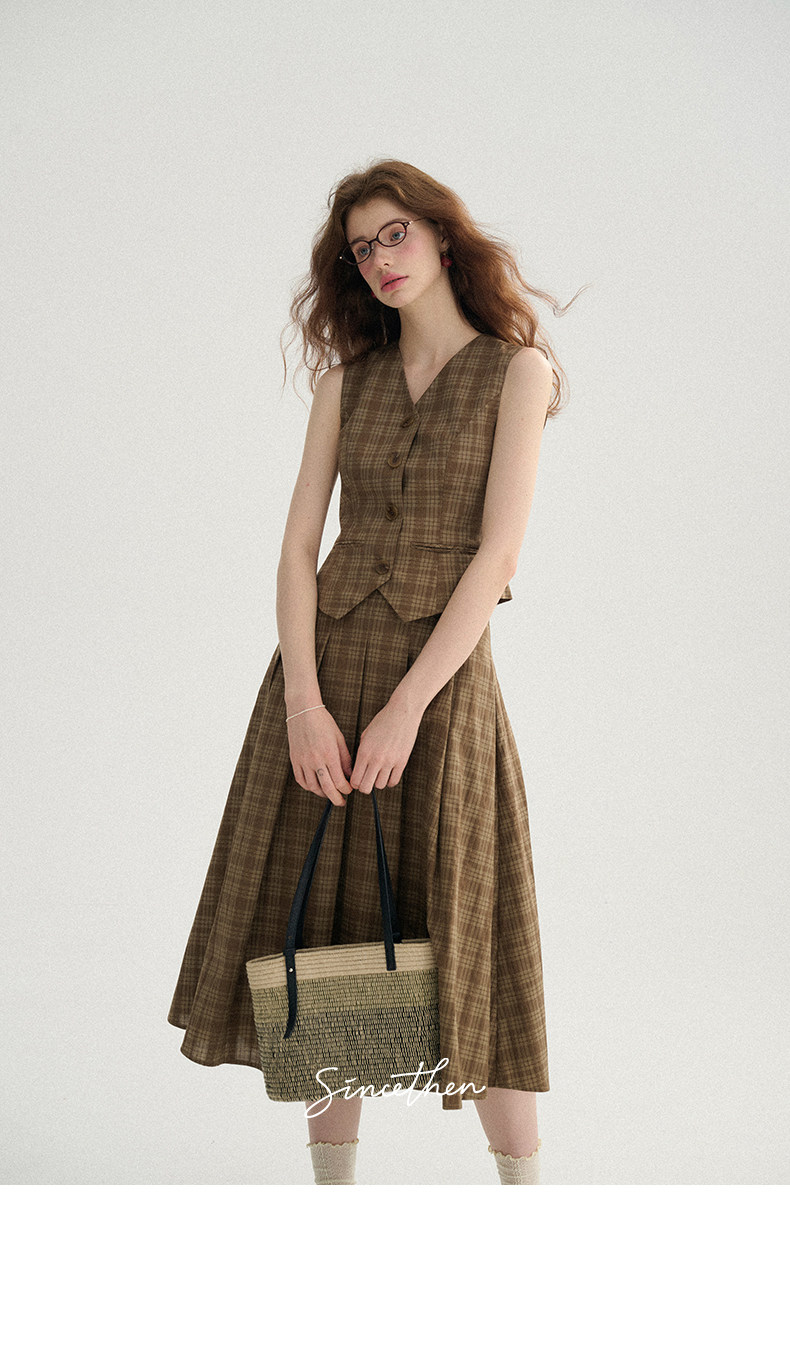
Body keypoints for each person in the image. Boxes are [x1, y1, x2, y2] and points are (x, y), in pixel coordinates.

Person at [168, 158, 581, 1185]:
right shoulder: (344, 385)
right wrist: (303, 704)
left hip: (439, 688)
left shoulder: (517, 371)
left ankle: (530, 1210)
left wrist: (405, 709)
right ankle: (336, 1214)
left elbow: (497, 558)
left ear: (441, 235)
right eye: (362, 248)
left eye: (395, 233)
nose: (381, 258)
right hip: (323, 677)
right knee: (326, 939)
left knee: (471, 934)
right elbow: (296, 548)